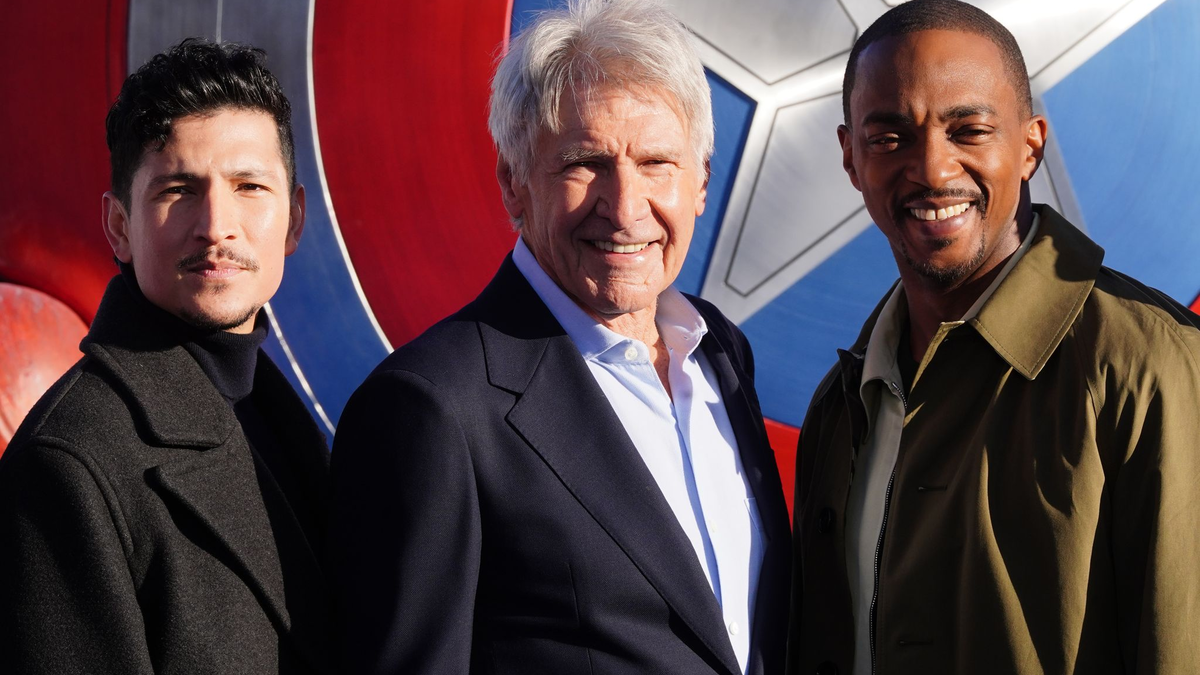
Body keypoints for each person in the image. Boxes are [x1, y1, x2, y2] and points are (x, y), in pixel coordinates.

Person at [329, 1, 791, 673]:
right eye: (585, 163)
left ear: (701, 183)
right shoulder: (432, 407)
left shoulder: (719, 352)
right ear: (513, 183)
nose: (625, 208)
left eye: (657, 162)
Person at [788, 1, 1200, 674]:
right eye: (889, 137)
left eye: (969, 130)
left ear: (1031, 145)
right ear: (850, 157)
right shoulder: (840, 405)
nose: (932, 169)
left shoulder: (1153, 366)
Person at [0, 39, 331, 673]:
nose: (216, 225)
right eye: (179, 189)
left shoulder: (284, 420)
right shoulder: (68, 465)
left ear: (293, 219)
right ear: (119, 226)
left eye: (249, 186)